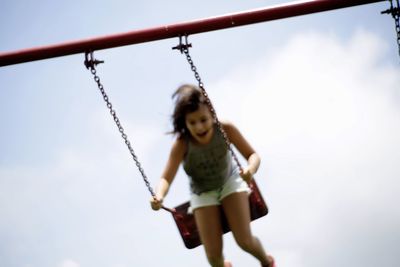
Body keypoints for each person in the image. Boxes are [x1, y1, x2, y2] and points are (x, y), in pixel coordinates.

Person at [150, 84, 275, 267]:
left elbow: (252, 155)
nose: (199, 127)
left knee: (244, 241)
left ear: (212, 114)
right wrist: (159, 196)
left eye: (203, 119)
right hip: (202, 193)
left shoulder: (225, 129)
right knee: (213, 257)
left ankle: (266, 261)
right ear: (184, 123)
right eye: (192, 122)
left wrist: (250, 169)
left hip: (229, 182)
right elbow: (166, 178)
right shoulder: (182, 144)